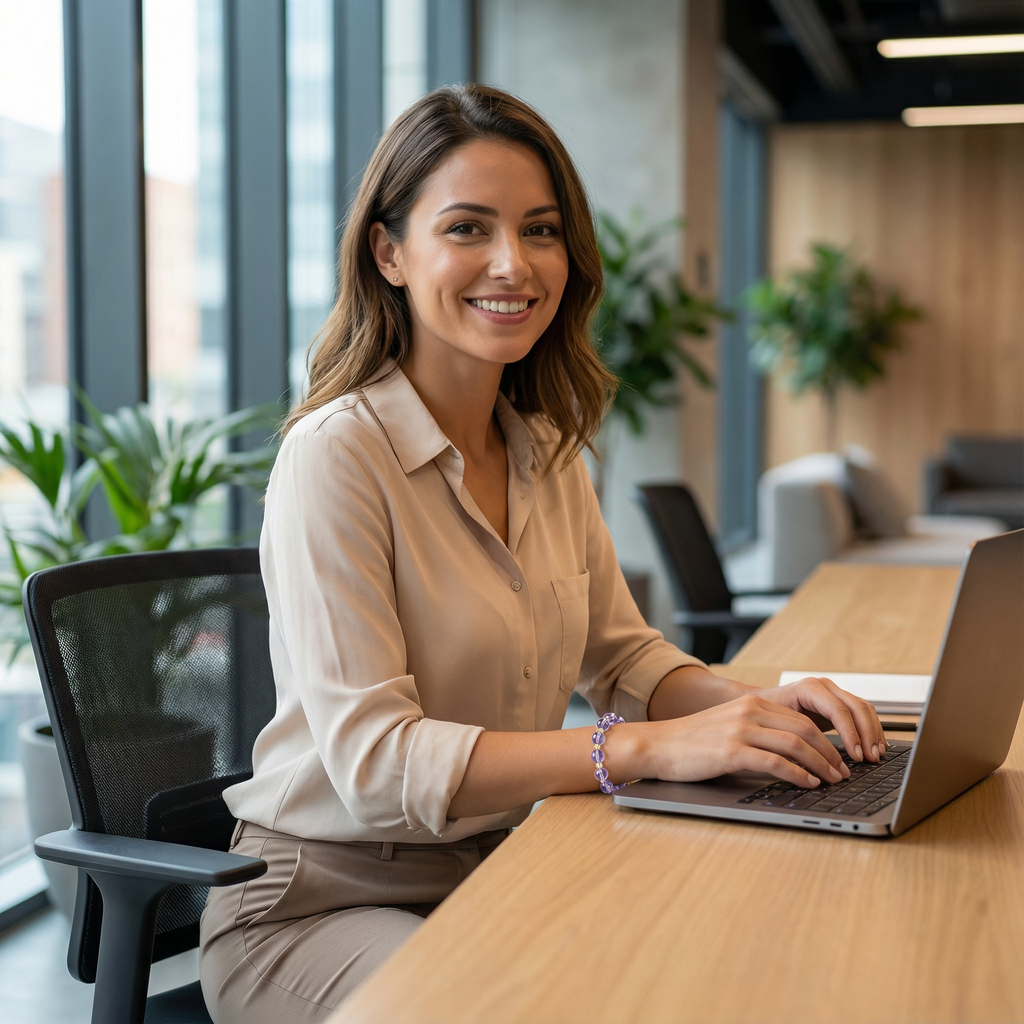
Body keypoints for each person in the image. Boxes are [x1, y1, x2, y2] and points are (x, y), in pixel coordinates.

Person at [199, 84, 886, 1023]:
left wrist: (753, 709)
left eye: (541, 230)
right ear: (390, 252)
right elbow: (375, 763)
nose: (513, 264)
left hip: (500, 867)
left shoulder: (545, 448)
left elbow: (626, 658)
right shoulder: (336, 455)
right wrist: (643, 749)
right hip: (320, 902)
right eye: (469, 228)